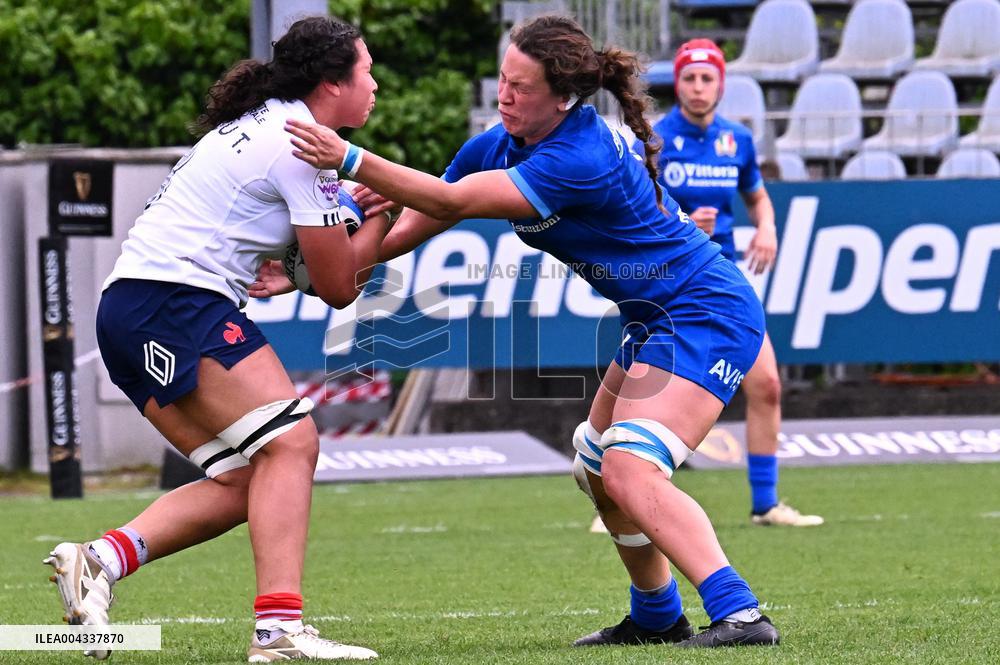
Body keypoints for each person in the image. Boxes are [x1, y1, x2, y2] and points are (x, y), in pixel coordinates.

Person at [284, 14, 780, 650]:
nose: (504, 96)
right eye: (502, 79)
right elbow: (425, 208)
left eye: (521, 87)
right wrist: (315, 270)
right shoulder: (503, 140)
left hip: (704, 310)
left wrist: (351, 158)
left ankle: (740, 615)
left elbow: (452, 202)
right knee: (597, 464)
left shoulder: (582, 154)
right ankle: (657, 615)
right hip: (654, 317)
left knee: (629, 468)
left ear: (563, 97)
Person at [42, 16, 390, 662]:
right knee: (293, 442)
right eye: (367, 71)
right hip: (170, 303)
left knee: (243, 477)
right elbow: (337, 283)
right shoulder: (303, 143)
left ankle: (98, 562)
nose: (376, 85)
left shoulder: (271, 126)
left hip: (133, 306)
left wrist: (358, 217)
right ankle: (278, 631)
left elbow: (314, 263)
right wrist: (383, 215)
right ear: (330, 84)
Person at [653, 39, 823, 528]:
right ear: (678, 83)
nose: (698, 87)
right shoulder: (656, 139)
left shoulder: (737, 140)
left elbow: (757, 196)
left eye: (708, 79)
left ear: (721, 85)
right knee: (648, 390)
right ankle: (620, 496)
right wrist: (685, 224)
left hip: (723, 279)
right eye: (689, 78)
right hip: (670, 278)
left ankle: (765, 505)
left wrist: (766, 227)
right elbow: (639, 211)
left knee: (767, 383)